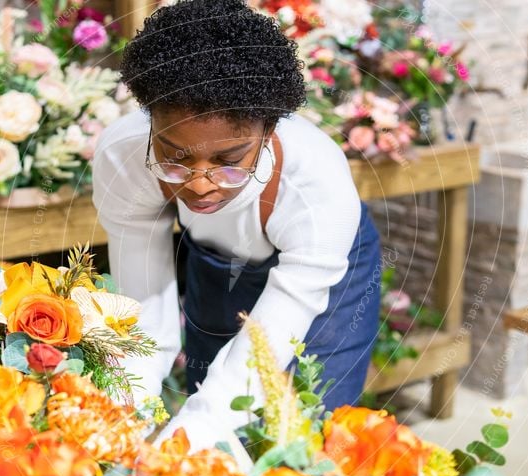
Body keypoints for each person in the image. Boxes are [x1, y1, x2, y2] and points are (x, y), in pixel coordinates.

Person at [93, 0, 381, 449]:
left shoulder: (319, 186)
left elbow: (259, 358)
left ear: (269, 133)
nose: (201, 186)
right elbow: (144, 314)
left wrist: (190, 440)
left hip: (324, 277)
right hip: (217, 255)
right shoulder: (122, 157)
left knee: (312, 433)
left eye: (229, 162)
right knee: (209, 405)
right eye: (175, 158)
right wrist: (120, 424)